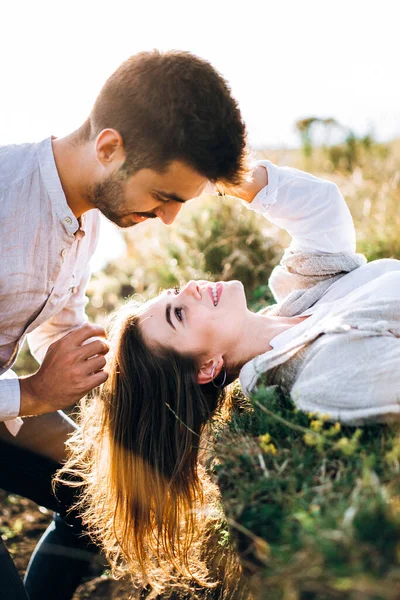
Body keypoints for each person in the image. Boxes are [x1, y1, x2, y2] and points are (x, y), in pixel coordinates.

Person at [60, 159, 400, 586]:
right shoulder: (315, 376)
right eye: (179, 313)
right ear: (207, 367)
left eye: (172, 294)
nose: (190, 287)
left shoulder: (300, 297)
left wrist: (227, 175)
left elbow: (322, 211)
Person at [0, 50, 248, 599]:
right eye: (164, 197)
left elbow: (52, 325)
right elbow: (33, 385)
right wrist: (35, 391)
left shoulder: (82, 220)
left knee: (107, 497)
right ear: (109, 148)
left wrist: (141, 363)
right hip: (10, 402)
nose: (168, 218)